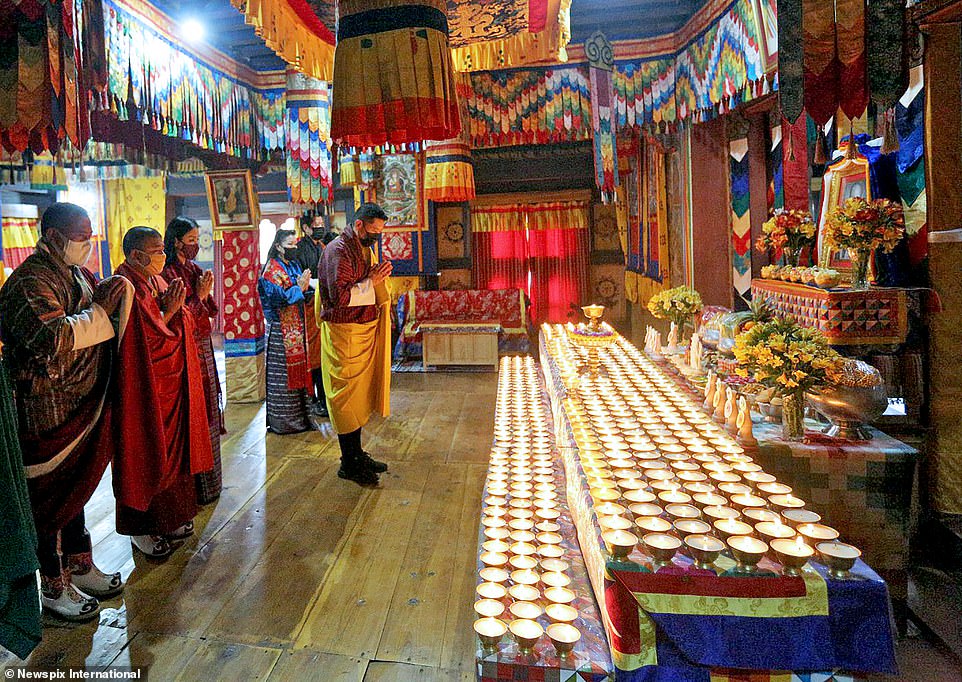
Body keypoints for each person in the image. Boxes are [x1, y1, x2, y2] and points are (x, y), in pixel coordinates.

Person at [0, 202, 128, 621]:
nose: (87, 244)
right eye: (81, 236)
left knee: (77, 488)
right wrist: (100, 313)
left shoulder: (74, 273)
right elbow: (51, 339)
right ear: (54, 237)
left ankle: (79, 562)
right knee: (51, 497)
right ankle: (53, 586)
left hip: (78, 399)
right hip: (44, 406)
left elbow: (96, 319)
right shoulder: (30, 280)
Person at [112, 227, 213, 559]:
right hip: (144, 389)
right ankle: (141, 528)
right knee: (146, 452)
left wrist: (183, 304)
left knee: (173, 452)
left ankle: (168, 520)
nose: (163, 256)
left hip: (171, 382)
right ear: (138, 255)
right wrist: (169, 311)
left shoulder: (153, 280)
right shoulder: (123, 286)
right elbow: (137, 342)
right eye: (157, 251)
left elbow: (181, 318)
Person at [316, 203, 393, 486]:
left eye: (379, 234)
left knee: (358, 397)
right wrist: (372, 281)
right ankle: (347, 463)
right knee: (347, 398)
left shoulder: (363, 247)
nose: (376, 239)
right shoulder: (337, 250)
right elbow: (340, 297)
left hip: (361, 328)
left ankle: (357, 453)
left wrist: (377, 278)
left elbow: (368, 281)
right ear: (359, 225)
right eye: (373, 232)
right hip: (344, 332)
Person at [162, 217, 224, 505]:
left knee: (209, 410)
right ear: (176, 241)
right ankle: (197, 489)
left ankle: (211, 485)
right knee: (194, 413)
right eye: (191, 240)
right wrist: (198, 297)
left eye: (198, 238)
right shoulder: (167, 273)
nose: (196, 245)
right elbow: (176, 318)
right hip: (185, 351)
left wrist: (203, 295)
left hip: (203, 349)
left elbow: (208, 311)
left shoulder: (193, 268)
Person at [258, 229, 315, 434]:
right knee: (283, 379)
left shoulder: (294, 265)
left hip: (297, 328)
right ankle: (284, 422)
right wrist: (299, 288)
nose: (294, 248)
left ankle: (302, 419)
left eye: (295, 244)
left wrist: (307, 289)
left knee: (300, 373)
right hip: (280, 331)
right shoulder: (270, 272)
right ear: (278, 247)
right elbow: (279, 300)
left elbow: (301, 291)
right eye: (290, 245)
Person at [292, 214, 328, 418]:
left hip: (321, 302)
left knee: (323, 352)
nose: (320, 228)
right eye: (316, 226)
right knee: (314, 354)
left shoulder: (322, 246)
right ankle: (316, 398)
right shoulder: (300, 250)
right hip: (308, 304)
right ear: (305, 228)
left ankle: (323, 398)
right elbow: (301, 280)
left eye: (322, 225)